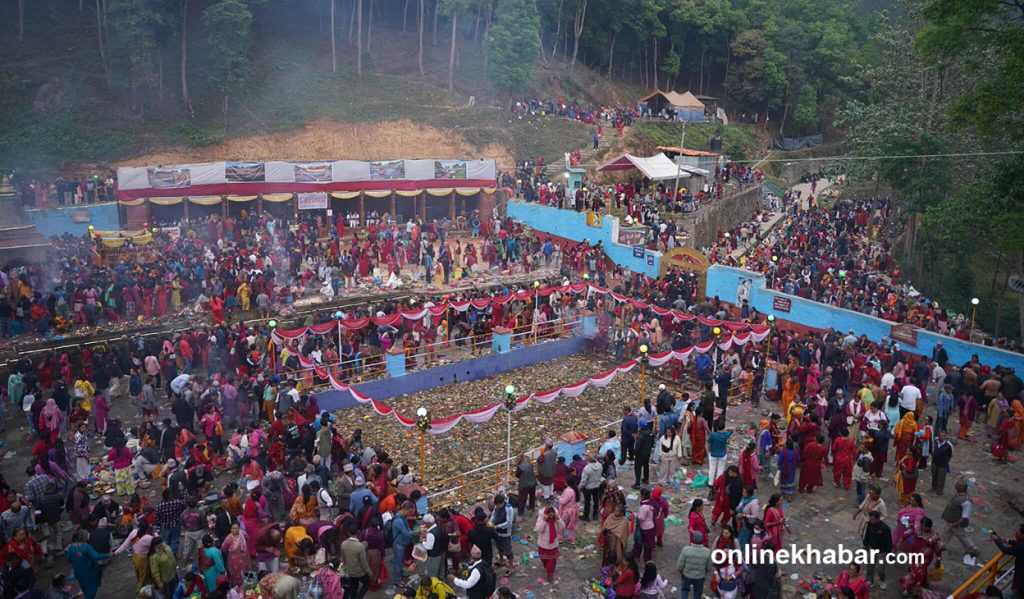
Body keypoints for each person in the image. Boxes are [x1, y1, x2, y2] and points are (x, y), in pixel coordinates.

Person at [898, 517, 942, 595]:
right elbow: (906, 534)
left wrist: (938, 560)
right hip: (915, 554)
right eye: (922, 525)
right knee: (918, 569)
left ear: (929, 527)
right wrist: (900, 541)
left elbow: (938, 549)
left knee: (917, 572)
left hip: (926, 558)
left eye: (925, 526)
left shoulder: (934, 537)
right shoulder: (916, 529)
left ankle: (910, 589)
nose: (922, 528)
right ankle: (923, 582)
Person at [940, 480, 979, 559]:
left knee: (962, 536)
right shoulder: (959, 494)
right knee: (946, 532)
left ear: (961, 487)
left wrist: (958, 523)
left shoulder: (966, 501)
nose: (955, 485)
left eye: (957, 485)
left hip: (956, 522)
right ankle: (941, 545)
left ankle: (973, 549)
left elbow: (965, 515)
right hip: (951, 520)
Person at [65, 531, 110, 599]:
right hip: (89, 571)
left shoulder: (71, 547)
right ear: (83, 538)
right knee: (91, 590)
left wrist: (66, 552)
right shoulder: (86, 547)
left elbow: (69, 560)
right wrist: (108, 554)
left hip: (78, 573)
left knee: (85, 588)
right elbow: (96, 556)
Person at [675, 530, 712, 599]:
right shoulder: (707, 552)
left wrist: (681, 571)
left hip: (687, 575)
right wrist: (704, 572)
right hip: (700, 577)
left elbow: (679, 565)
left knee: (684, 590)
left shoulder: (686, 550)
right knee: (697, 593)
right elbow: (709, 567)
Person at [991, 525, 1024, 599]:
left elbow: (1005, 550)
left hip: (1021, 575)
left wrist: (996, 540)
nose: (1017, 532)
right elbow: (1018, 543)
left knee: (1017, 591)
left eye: (1019, 531)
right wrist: (1006, 540)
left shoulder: (1021, 547)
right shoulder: (1021, 544)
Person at [862, 510, 892, 590]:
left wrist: (888, 553)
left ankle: (882, 581)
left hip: (882, 552)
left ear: (878, 519)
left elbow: (889, 541)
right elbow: (867, 535)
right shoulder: (869, 524)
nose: (872, 521)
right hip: (872, 550)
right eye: (871, 519)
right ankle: (870, 580)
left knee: (881, 569)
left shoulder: (885, 528)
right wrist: (865, 544)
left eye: (874, 520)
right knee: (869, 567)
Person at [534, 505, 565, 582]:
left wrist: (558, 519)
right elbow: (538, 529)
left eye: (552, 515)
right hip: (543, 544)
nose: (551, 516)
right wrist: (544, 521)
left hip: (553, 545)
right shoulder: (541, 518)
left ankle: (550, 575)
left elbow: (562, 526)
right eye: (549, 515)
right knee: (544, 559)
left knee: (552, 562)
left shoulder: (555, 519)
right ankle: (546, 566)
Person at [341, 522, 371, 599]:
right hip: (360, 572)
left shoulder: (343, 544)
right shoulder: (360, 546)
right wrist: (369, 572)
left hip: (350, 571)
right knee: (367, 584)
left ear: (348, 532)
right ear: (358, 532)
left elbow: (343, 559)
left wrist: (344, 568)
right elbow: (364, 563)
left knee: (354, 586)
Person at [931, 431, 953, 495]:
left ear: (946, 437)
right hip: (935, 462)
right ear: (938, 436)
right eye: (941, 435)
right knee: (934, 476)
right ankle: (934, 488)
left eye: (944, 436)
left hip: (943, 465)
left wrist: (946, 460)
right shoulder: (935, 442)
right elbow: (932, 449)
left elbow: (951, 454)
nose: (942, 437)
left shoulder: (949, 445)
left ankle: (939, 491)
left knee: (941, 478)